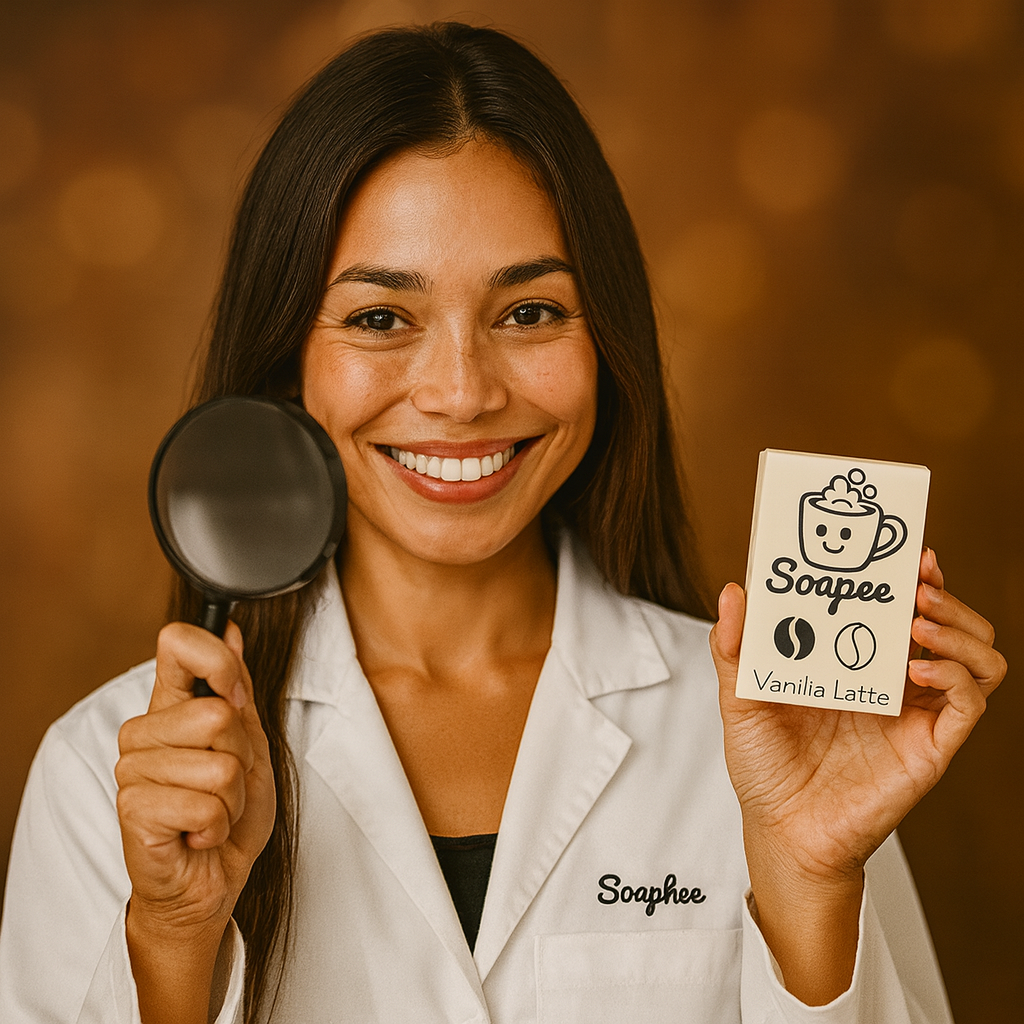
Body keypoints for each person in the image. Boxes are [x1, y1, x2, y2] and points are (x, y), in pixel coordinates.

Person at [0, 21, 1005, 1024]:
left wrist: (812, 885)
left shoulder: (779, 737)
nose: (460, 392)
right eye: (380, 319)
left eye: (528, 313)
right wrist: (175, 944)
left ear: (607, 340)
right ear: (287, 362)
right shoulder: (111, 773)